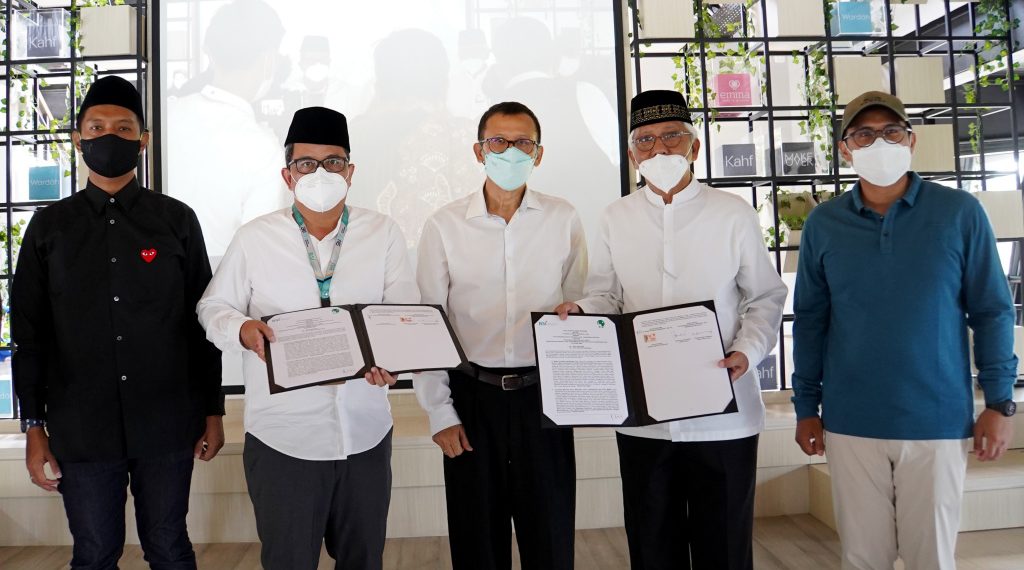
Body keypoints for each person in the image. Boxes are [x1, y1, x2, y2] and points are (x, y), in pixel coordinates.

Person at [554, 89, 787, 570]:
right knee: (651, 544)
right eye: (645, 141)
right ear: (631, 154)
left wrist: (747, 350)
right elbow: (608, 297)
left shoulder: (733, 214)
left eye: (671, 138)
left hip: (725, 411)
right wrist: (578, 311)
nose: (659, 151)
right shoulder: (616, 217)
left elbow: (765, 297)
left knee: (723, 547)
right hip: (645, 419)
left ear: (694, 147)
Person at [791, 90, 1018, 570]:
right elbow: (811, 321)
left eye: (891, 132)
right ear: (844, 148)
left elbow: (993, 310)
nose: (880, 143)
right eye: (864, 134)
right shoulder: (824, 224)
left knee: (931, 557)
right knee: (862, 557)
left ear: (911, 141)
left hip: (936, 420)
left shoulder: (959, 213)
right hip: (852, 421)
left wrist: (999, 401)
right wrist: (806, 406)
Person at [12, 75, 224, 569]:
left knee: (170, 547)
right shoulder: (49, 228)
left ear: (143, 140)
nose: (111, 136)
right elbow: (29, 334)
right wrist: (35, 427)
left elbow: (203, 323)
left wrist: (213, 410)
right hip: (81, 426)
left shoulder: (176, 220)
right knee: (94, 553)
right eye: (98, 126)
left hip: (167, 422)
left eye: (125, 128)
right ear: (78, 138)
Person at [197, 106, 417, 570]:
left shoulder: (384, 233)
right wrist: (241, 328)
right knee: (289, 560)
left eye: (333, 162)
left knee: (363, 559)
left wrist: (394, 357)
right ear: (288, 174)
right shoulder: (255, 238)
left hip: (365, 431)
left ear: (351, 172)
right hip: (284, 436)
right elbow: (211, 308)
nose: (321, 173)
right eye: (306, 164)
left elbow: (402, 315)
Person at [414, 101, 587, 569]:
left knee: (549, 539)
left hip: (543, 398)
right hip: (473, 398)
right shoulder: (444, 226)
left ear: (539, 153)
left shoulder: (563, 218)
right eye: (498, 142)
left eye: (522, 143)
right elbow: (430, 326)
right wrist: (439, 413)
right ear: (479, 150)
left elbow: (586, 305)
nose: (510, 151)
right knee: (477, 544)